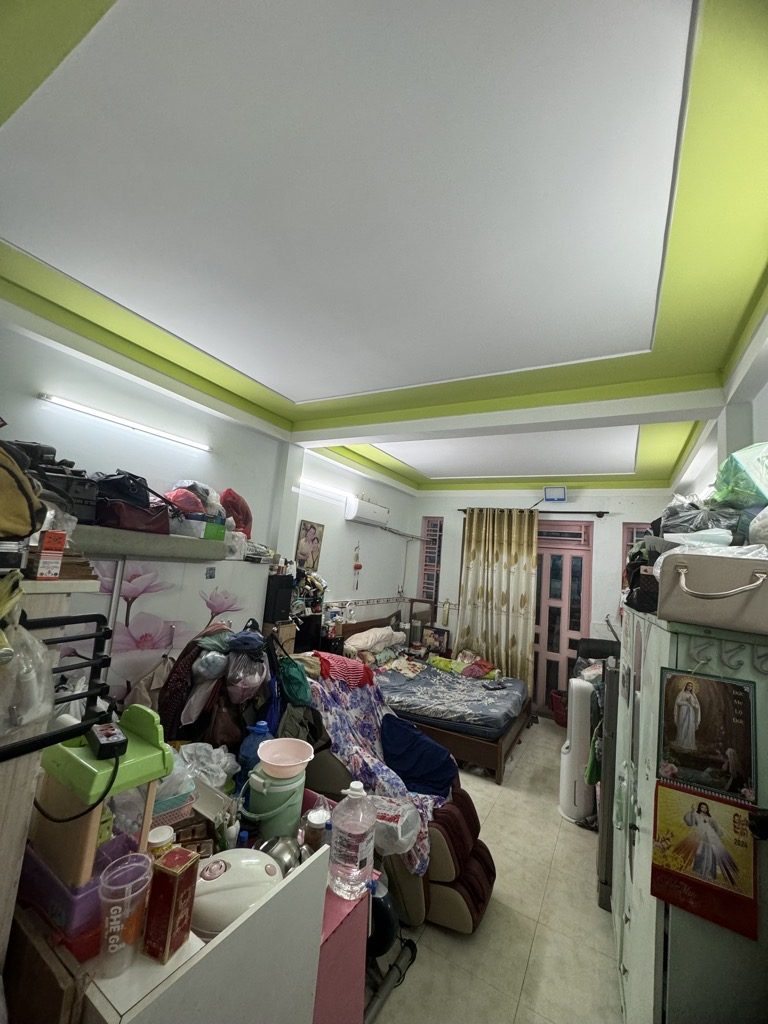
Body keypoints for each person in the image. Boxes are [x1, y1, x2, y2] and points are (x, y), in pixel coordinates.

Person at [675, 801, 738, 885]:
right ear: (699, 808)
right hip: (700, 837)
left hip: (711, 839)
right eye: (702, 807)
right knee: (699, 854)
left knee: (711, 856)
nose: (704, 809)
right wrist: (692, 811)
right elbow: (690, 823)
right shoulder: (696, 815)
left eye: (705, 807)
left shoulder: (710, 818)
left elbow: (716, 828)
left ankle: (710, 874)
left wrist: (717, 833)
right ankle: (698, 871)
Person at [673, 680, 701, 751]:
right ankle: (681, 743)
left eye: (691, 686)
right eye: (688, 686)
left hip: (691, 712)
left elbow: (697, 706)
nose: (689, 687)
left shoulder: (693, 695)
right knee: (683, 726)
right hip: (683, 711)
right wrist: (686, 703)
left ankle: (688, 744)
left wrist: (692, 704)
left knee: (690, 726)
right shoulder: (682, 693)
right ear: (686, 686)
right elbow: (678, 702)